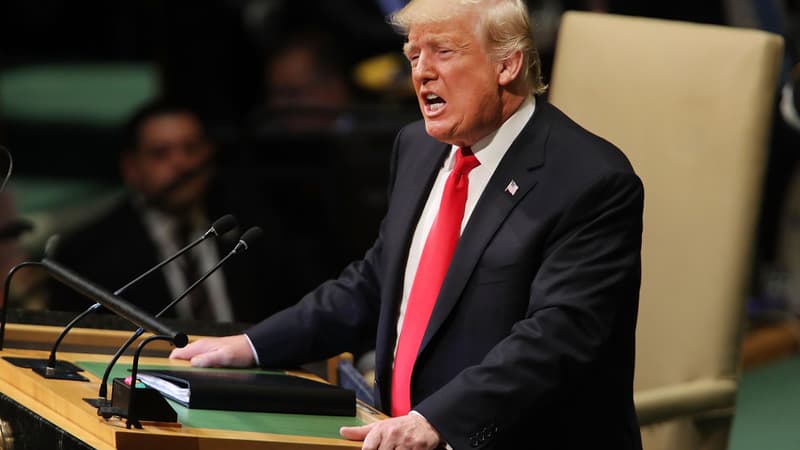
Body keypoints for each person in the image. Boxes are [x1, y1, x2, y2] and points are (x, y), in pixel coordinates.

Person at [172, 0, 644, 448]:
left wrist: (436, 420)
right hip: (390, 435)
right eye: (413, 54)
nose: (421, 72)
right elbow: (378, 284)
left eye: (443, 51)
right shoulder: (417, 146)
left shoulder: (590, 180)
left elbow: (556, 338)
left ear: (508, 65)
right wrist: (253, 345)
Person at [48, 99, 300, 323]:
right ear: (131, 168)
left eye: (191, 149)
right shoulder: (88, 253)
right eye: (161, 153)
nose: (181, 164)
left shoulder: (254, 231)